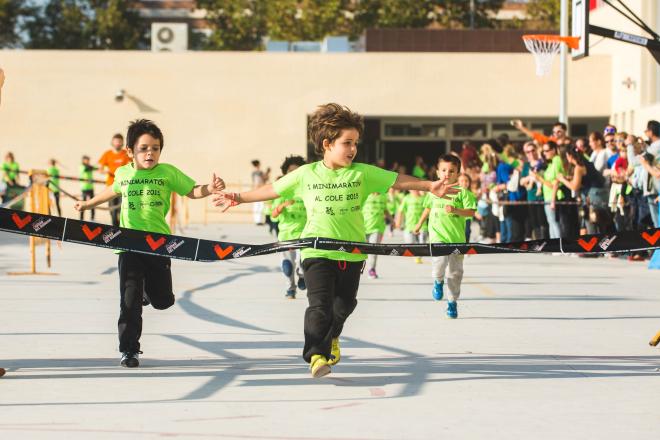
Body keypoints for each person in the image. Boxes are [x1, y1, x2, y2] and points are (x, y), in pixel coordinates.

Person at [212, 103, 459, 378]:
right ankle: (316, 355)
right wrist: (237, 197)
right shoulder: (306, 174)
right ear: (327, 144)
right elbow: (273, 189)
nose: (353, 149)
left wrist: (430, 186)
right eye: (347, 143)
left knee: (344, 305)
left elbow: (396, 181)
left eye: (355, 143)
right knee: (319, 305)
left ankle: (331, 337)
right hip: (316, 250)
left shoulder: (361, 173)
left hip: (352, 252)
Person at [75, 119, 225, 368]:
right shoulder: (123, 173)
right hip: (129, 244)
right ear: (130, 151)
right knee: (129, 302)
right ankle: (129, 350)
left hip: (159, 244)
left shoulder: (167, 172)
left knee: (163, 300)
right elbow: (111, 191)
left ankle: (148, 292)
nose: (150, 153)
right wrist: (87, 204)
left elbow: (191, 191)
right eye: (144, 148)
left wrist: (210, 188)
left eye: (155, 148)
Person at [413, 154, 476, 319]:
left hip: (456, 239)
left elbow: (471, 212)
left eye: (452, 171)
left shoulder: (463, 193)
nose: (447, 174)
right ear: (437, 172)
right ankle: (438, 281)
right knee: (439, 262)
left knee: (455, 273)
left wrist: (456, 210)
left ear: (458, 173)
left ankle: (452, 302)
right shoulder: (433, 190)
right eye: (444, 170)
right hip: (437, 236)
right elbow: (427, 208)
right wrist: (419, 224)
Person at [271, 155, 307, 299]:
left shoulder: (307, 191)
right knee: (288, 266)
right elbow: (273, 214)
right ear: (286, 173)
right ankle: (290, 289)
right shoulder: (281, 192)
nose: (293, 174)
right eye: (290, 171)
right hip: (286, 235)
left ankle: (303, 276)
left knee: (303, 261)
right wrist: (282, 206)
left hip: (305, 234)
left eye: (296, 171)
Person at [531, 142, 563, 239]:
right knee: (551, 222)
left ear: (553, 150)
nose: (544, 153)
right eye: (543, 151)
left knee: (554, 222)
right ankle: (555, 246)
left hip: (554, 196)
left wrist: (540, 179)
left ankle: (560, 246)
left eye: (546, 151)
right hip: (547, 196)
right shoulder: (550, 162)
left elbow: (556, 182)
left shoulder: (557, 159)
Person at [98, 133, 131, 226]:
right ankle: (114, 229)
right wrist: (107, 171)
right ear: (112, 142)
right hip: (110, 186)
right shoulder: (107, 154)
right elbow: (100, 168)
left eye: (119, 142)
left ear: (122, 143)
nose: (117, 143)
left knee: (122, 209)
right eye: (116, 142)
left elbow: (133, 165)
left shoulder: (126, 153)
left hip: (124, 186)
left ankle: (121, 229)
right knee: (112, 210)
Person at [395, 190, 428, 264]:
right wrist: (398, 222)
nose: (414, 190)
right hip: (409, 225)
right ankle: (416, 254)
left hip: (422, 226)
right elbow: (401, 211)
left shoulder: (424, 198)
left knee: (422, 243)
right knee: (410, 243)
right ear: (409, 190)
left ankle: (418, 256)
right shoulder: (407, 198)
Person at [250, 160, 270, 225]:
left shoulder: (255, 173)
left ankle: (258, 220)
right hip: (259, 190)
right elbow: (264, 179)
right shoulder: (257, 173)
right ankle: (258, 220)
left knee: (259, 205)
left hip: (257, 190)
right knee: (259, 205)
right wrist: (267, 173)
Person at [79, 155, 96, 221]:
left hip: (91, 187)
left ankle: (92, 218)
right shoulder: (82, 166)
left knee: (93, 203)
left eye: (88, 160)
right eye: (87, 160)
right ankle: (81, 218)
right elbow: (87, 169)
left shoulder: (89, 166)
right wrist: (92, 167)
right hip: (84, 188)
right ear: (83, 160)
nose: (88, 161)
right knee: (83, 204)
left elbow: (95, 168)